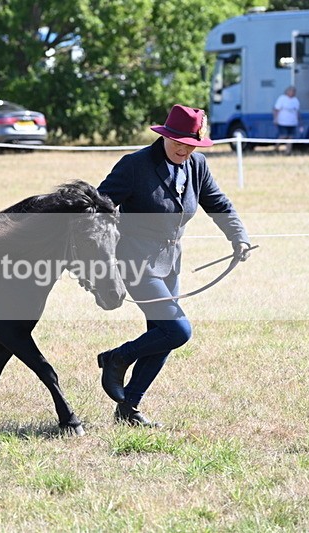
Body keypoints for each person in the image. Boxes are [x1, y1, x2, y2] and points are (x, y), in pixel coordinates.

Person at [96, 104, 252, 427]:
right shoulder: (135, 166)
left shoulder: (197, 166)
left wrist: (239, 237)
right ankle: (117, 358)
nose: (184, 148)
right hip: (134, 262)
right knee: (178, 330)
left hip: (170, 265)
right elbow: (99, 204)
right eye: (178, 140)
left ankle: (128, 408)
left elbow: (218, 203)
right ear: (165, 135)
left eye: (191, 143)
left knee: (162, 336)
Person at [273, 86, 301, 154]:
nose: (293, 93)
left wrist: (299, 121)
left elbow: (297, 112)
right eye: (292, 91)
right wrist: (275, 119)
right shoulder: (282, 98)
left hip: (292, 122)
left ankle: (288, 151)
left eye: (294, 91)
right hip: (283, 122)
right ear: (287, 91)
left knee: (290, 137)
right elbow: (276, 109)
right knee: (283, 135)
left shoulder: (296, 100)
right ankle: (276, 147)